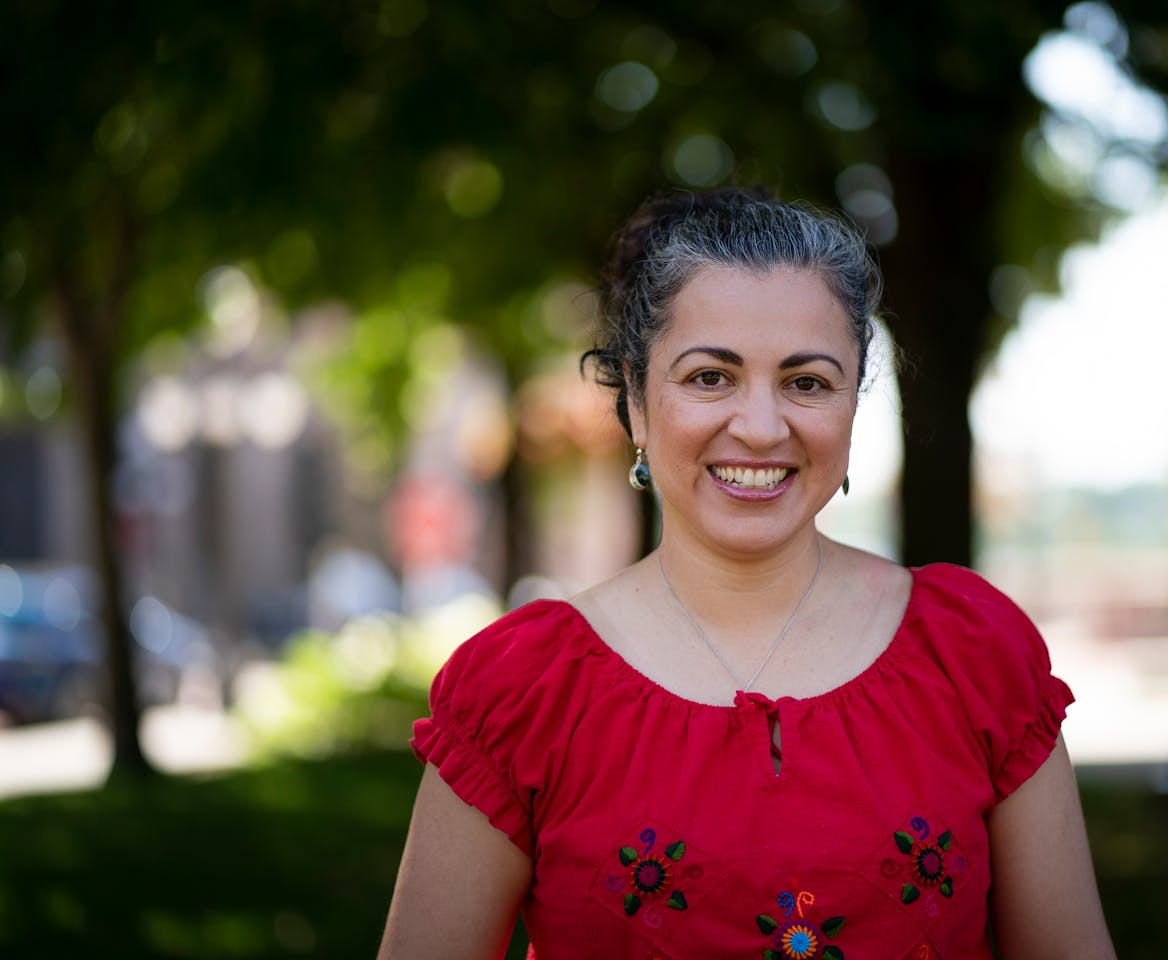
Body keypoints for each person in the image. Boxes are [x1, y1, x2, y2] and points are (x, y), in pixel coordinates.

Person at [378, 187, 1116, 960]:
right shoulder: (522, 691)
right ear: (634, 397)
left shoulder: (974, 654)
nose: (761, 429)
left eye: (807, 382)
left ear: (855, 402)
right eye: (709, 377)